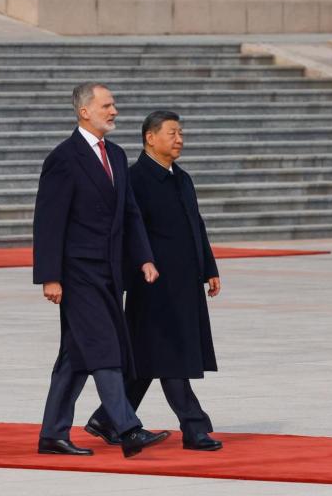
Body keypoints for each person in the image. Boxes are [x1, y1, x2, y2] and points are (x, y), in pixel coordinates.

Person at [34, 83, 170, 458]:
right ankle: (126, 427)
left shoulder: (115, 154)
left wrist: (144, 257)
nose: (114, 112)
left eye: (114, 105)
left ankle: (52, 434)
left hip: (110, 273)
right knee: (106, 347)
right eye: (107, 105)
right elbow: (49, 221)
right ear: (84, 111)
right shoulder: (63, 158)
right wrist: (50, 276)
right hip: (77, 272)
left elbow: (129, 213)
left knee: (76, 357)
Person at [84, 110, 223, 452]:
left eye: (181, 134)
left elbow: (197, 226)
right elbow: (125, 232)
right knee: (171, 355)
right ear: (150, 137)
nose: (179, 140)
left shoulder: (182, 179)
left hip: (185, 284)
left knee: (147, 358)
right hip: (153, 285)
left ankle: (107, 418)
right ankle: (194, 426)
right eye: (172, 133)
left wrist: (210, 268)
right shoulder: (135, 180)